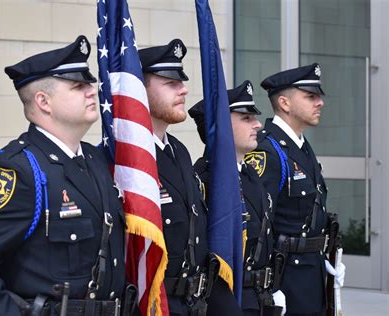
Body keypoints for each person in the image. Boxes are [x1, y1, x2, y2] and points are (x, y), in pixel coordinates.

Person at [0, 35, 128, 316]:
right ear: (43, 101)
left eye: (89, 83)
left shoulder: (94, 159)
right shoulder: (16, 171)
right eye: (78, 86)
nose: (92, 91)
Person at [138, 39, 242, 316]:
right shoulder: (128, 161)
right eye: (170, 82)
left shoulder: (179, 152)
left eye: (181, 81)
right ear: (139, 89)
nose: (184, 89)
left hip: (197, 301)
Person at [244, 64, 345, 316]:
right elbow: (259, 225)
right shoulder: (268, 150)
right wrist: (268, 287)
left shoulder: (301, 146)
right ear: (285, 103)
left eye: (318, 96)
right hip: (286, 277)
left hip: (311, 273)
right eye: (310, 96)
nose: (320, 102)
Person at [189, 80, 286, 316]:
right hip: (230, 302)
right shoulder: (208, 181)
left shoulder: (249, 174)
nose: (258, 125)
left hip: (258, 299)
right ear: (219, 126)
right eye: (246, 118)